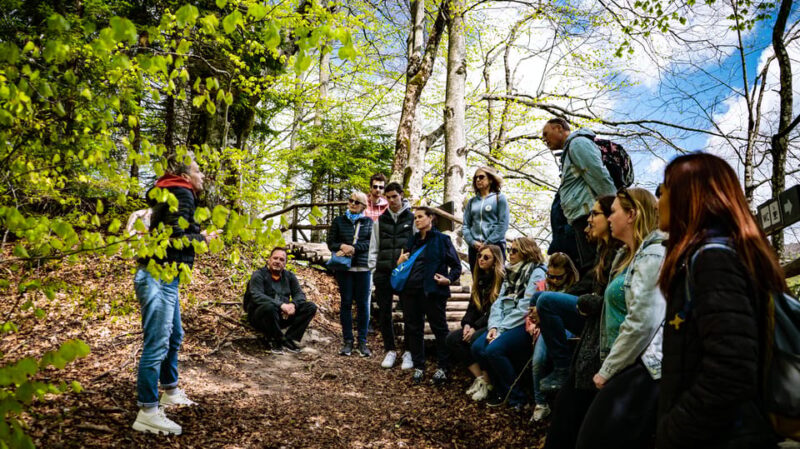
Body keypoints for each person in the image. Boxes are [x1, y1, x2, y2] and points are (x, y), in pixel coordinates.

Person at [656, 153, 782, 449]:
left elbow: (731, 369)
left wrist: (674, 431)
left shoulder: (713, 259)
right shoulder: (715, 254)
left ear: (691, 194)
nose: (658, 197)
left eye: (664, 188)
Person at [132, 152, 220, 435]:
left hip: (165, 276)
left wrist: (197, 233)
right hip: (157, 276)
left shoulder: (171, 191)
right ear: (185, 175)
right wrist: (202, 239)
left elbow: (170, 232)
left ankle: (169, 390)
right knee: (157, 342)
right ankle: (147, 411)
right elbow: (172, 240)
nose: (202, 175)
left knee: (174, 335)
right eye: (198, 170)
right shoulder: (182, 193)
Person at [575, 188, 666, 449]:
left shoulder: (652, 255)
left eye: (613, 211)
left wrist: (608, 369)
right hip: (626, 363)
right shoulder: (631, 255)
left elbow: (642, 322)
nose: (609, 217)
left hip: (642, 367)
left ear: (632, 214)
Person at [544, 195, 621, 449]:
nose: (589, 219)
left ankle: (560, 366)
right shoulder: (602, 251)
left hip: (604, 340)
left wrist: (582, 302)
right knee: (543, 300)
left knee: (546, 301)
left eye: (595, 214)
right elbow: (587, 283)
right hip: (590, 333)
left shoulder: (622, 254)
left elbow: (609, 300)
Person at [471, 237, 547, 410]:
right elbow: (498, 303)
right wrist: (494, 327)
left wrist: (502, 329)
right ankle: (500, 389)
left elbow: (526, 307)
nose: (510, 254)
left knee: (494, 349)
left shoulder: (537, 271)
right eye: (509, 250)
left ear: (526, 253)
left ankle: (517, 397)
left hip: (523, 323)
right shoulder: (511, 271)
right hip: (503, 322)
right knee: (477, 347)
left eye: (514, 251)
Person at [542, 117, 616, 276]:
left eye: (546, 134)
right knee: (588, 267)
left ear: (559, 128)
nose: (544, 140)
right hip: (579, 219)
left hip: (588, 216)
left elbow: (598, 175)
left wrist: (613, 208)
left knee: (595, 267)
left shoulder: (577, 144)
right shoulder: (569, 151)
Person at [397, 207, 462, 385]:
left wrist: (448, 280)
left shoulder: (442, 240)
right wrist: (400, 261)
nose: (416, 220)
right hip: (410, 292)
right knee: (414, 329)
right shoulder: (412, 240)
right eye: (415, 218)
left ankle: (443, 367)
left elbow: (457, 266)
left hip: (433, 292)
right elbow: (402, 264)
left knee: (439, 329)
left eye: (420, 217)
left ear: (430, 218)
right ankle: (419, 366)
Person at [445, 244, 504, 400]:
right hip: (479, 322)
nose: (481, 260)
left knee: (476, 339)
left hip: (494, 323)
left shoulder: (501, 280)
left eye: (486, 257)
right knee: (452, 339)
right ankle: (481, 380)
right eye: (479, 256)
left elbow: (494, 310)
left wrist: (475, 327)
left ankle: (489, 381)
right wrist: (467, 324)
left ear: (495, 260)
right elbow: (473, 307)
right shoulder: (479, 279)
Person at [526, 252, 579, 422]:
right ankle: (540, 403)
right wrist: (534, 324)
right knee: (538, 360)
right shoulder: (542, 287)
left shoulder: (577, 287)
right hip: (546, 328)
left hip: (568, 326)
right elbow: (532, 309)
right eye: (551, 276)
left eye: (558, 277)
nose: (554, 280)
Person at [367, 182, 415, 369]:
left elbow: (416, 247)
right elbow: (374, 247)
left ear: (402, 195)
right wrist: (374, 271)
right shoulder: (380, 220)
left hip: (406, 275)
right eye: (389, 197)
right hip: (383, 271)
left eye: (395, 196)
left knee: (409, 312)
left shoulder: (412, 219)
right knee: (384, 312)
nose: (392, 200)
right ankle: (390, 350)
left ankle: (409, 352)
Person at [243, 247, 318, 354]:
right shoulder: (258, 275)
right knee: (270, 306)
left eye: (281, 260)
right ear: (269, 260)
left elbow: (300, 295)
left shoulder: (289, 276)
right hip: (260, 317)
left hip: (282, 316)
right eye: (275, 258)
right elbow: (257, 296)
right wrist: (281, 305)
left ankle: (289, 339)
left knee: (310, 307)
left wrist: (293, 305)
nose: (278, 261)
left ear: (285, 264)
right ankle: (276, 340)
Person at [327, 191, 373, 357]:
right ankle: (347, 341)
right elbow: (330, 241)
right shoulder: (339, 221)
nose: (352, 203)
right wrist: (342, 247)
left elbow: (370, 243)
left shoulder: (369, 222)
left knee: (363, 304)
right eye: (350, 200)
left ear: (363, 206)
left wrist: (354, 248)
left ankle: (362, 341)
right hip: (344, 268)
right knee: (346, 303)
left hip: (362, 268)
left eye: (357, 202)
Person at [462, 166, 509, 273]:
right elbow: (465, 225)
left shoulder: (499, 198)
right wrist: (472, 242)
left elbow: (503, 224)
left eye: (481, 177)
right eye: (475, 178)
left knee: (496, 280)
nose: (478, 180)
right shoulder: (472, 202)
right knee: (477, 280)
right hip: (475, 248)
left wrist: (488, 243)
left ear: (491, 179)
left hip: (495, 246)